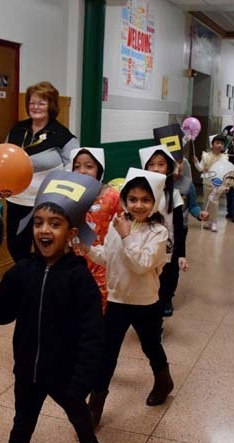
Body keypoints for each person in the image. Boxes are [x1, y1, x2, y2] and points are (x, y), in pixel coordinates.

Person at [0, 170, 105, 443]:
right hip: (27, 368)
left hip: (65, 373)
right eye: (39, 222)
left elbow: (93, 336)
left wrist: (82, 382)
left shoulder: (80, 280)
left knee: (77, 412)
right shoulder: (20, 273)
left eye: (55, 224)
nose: (44, 230)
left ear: (71, 233)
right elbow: (3, 314)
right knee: (22, 424)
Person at [80, 168, 174, 427]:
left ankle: (164, 381)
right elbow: (109, 257)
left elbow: (141, 264)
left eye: (145, 199)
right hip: (117, 301)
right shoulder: (117, 223)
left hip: (145, 303)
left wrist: (125, 234)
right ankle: (95, 404)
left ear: (155, 201)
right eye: (133, 199)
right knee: (106, 354)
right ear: (125, 200)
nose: (138, 205)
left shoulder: (158, 233)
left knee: (150, 346)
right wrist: (86, 248)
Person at [4, 81, 79, 262]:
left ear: (50, 106)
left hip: (46, 203)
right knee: (16, 248)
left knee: (45, 250)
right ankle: (24, 285)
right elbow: (4, 162)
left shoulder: (62, 135)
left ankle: (43, 286)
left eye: (41, 103)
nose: (35, 107)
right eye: (32, 102)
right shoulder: (17, 129)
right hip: (16, 200)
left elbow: (73, 170)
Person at [69, 147, 122, 311]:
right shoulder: (68, 194)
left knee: (100, 306)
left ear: (99, 169)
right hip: (74, 260)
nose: (82, 171)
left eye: (89, 166)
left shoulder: (112, 196)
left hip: (102, 261)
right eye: (77, 166)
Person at [140, 145, 186, 317]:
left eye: (161, 164)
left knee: (168, 275)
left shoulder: (173, 194)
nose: (156, 168)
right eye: (151, 164)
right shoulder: (140, 193)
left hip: (168, 245)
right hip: (145, 244)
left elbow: (180, 227)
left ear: (168, 168)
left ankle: (166, 299)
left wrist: (181, 254)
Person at [193, 134, 229, 231]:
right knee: (206, 202)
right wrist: (196, 162)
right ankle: (207, 221)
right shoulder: (206, 156)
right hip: (207, 183)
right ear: (212, 144)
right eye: (217, 143)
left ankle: (214, 222)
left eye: (221, 143)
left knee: (214, 203)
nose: (219, 145)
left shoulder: (224, 158)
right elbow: (200, 168)